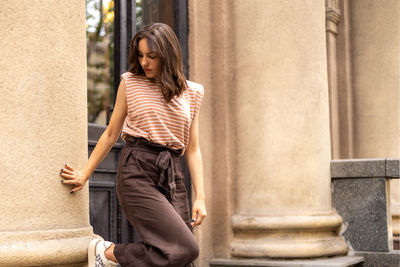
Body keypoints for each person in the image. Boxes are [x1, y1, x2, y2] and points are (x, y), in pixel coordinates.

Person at [60, 22, 206, 267]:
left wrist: (200, 196)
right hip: (136, 169)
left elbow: (193, 149)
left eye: (151, 56)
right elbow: (110, 134)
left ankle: (109, 257)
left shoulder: (192, 92)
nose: (144, 62)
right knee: (186, 248)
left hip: (171, 173)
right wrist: (85, 173)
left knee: (180, 258)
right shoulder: (131, 83)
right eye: (140, 55)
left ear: (168, 55)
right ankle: (109, 253)